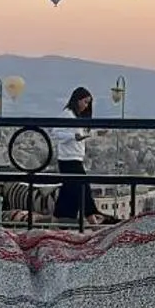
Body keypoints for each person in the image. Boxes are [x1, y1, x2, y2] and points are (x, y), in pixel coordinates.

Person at [53, 87, 101, 225]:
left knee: (68, 192)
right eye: (85, 102)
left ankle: (55, 223)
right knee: (83, 189)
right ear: (78, 100)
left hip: (75, 158)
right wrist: (73, 136)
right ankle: (93, 224)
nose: (86, 106)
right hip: (68, 160)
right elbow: (56, 132)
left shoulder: (76, 117)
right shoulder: (67, 114)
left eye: (88, 103)